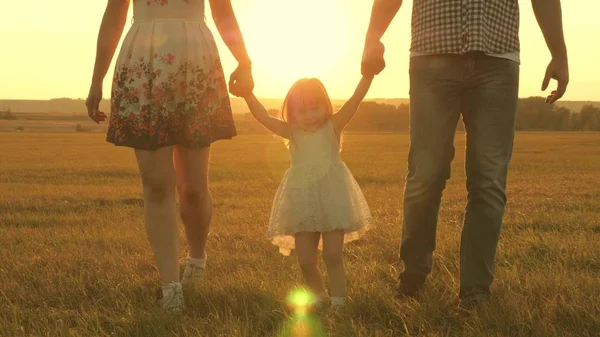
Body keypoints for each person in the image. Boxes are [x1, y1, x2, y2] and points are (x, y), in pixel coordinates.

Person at [361, 0, 569, 308]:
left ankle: (475, 293)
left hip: (497, 57)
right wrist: (371, 38)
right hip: (432, 54)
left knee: (489, 179)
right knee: (426, 173)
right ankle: (413, 276)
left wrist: (559, 53)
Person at [85, 0, 254, 312]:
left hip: (196, 58)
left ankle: (196, 262)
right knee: (157, 183)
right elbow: (114, 15)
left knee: (193, 187)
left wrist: (244, 61)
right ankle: (170, 286)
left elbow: (223, 10)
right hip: (142, 60)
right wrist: (97, 78)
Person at [241, 74, 379, 308]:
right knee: (305, 260)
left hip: (332, 197)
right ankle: (319, 296)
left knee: (333, 256)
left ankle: (339, 303)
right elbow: (264, 117)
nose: (310, 116)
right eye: (302, 111)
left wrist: (367, 75)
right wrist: (247, 94)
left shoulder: (333, 126)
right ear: (291, 114)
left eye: (315, 108)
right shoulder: (293, 133)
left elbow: (355, 100)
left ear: (326, 105)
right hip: (302, 201)